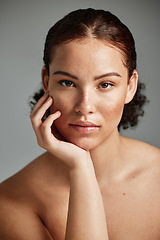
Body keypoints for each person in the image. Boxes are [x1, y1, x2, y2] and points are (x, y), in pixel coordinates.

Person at [0, 8, 160, 240]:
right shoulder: (9, 200)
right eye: (67, 83)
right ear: (46, 82)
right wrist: (81, 168)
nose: (85, 106)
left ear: (130, 87)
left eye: (105, 84)